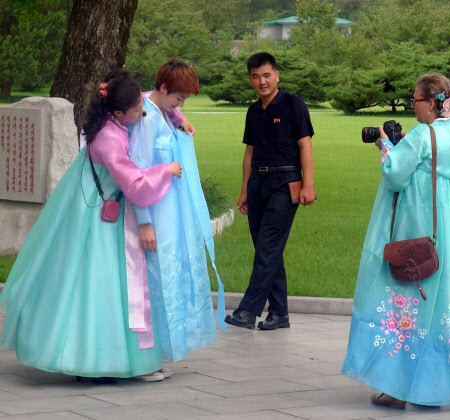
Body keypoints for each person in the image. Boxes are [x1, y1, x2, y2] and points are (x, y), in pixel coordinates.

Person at [0, 70, 183, 383]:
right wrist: (166, 170)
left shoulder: (106, 125)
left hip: (86, 213)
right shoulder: (112, 138)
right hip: (103, 221)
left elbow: (156, 103)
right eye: (137, 108)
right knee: (107, 286)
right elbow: (134, 183)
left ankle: (86, 357)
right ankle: (105, 360)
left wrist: (176, 115)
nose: (142, 112)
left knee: (82, 283)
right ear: (118, 111)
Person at [342, 73, 450, 408]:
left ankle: (398, 388)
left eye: (415, 100)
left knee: (408, 297)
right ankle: (436, 388)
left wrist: (385, 144)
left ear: (430, 103)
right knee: (443, 303)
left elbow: (395, 174)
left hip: (418, 226)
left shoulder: (421, 136)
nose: (414, 106)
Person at [128, 59, 226, 363]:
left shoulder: (164, 112)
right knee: (153, 278)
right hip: (155, 209)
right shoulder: (146, 117)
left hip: (169, 207)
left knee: (168, 273)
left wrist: (178, 115)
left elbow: (163, 105)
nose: (180, 104)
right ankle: (146, 352)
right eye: (179, 98)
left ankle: (159, 349)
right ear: (164, 87)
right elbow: (137, 171)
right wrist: (144, 222)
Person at [224, 52, 316, 330]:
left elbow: (305, 145)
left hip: (285, 183)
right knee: (268, 249)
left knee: (267, 248)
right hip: (257, 185)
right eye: (255, 76)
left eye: (266, 75)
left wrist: (308, 183)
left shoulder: (293, 105)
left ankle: (248, 311)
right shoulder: (253, 111)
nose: (261, 81)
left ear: (277, 75)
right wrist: (244, 191)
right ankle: (279, 313)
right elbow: (249, 152)